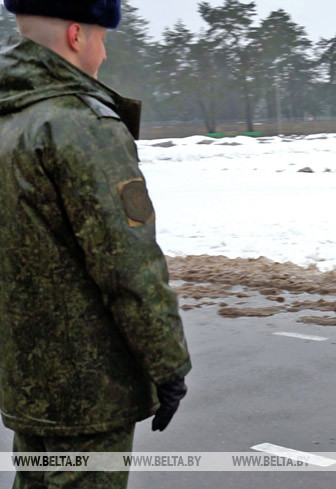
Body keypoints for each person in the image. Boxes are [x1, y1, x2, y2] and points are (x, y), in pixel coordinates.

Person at [0, 1, 192, 487]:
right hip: (90, 395)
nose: (104, 55)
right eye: (103, 39)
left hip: (26, 389)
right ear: (75, 36)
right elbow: (129, 268)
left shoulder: (8, 123)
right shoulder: (82, 127)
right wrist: (168, 367)